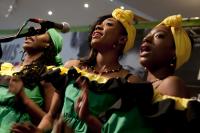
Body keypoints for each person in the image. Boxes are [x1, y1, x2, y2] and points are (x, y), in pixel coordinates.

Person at [11, 8, 147, 133]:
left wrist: (88, 118)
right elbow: (50, 116)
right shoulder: (73, 67)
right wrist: (38, 131)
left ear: (122, 39)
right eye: (99, 24)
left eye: (109, 24)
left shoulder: (129, 82)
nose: (99, 26)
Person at [0, 28, 63, 133]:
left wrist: (23, 97)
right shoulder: (6, 68)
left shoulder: (48, 75)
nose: (29, 35)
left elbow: (51, 121)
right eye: (31, 32)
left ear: (48, 44)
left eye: (38, 33)